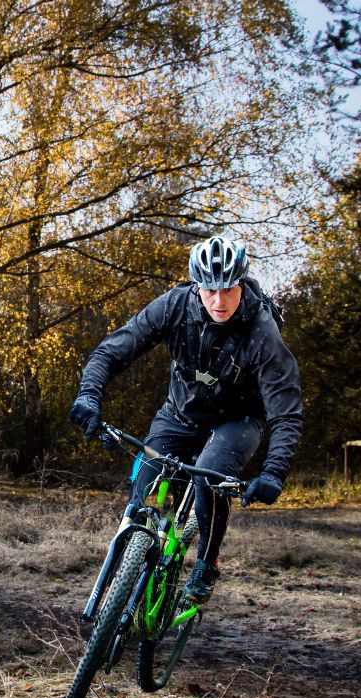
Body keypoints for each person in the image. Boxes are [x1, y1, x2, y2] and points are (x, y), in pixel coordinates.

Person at [68, 236, 302, 603]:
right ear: (197, 285)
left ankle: (207, 562)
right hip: (179, 414)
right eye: (209, 289)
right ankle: (116, 597)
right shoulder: (175, 306)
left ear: (241, 283)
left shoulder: (262, 330)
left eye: (228, 289)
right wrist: (88, 396)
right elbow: (110, 353)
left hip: (239, 422)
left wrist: (273, 472)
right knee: (141, 497)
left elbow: (286, 411)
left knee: (210, 472)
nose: (218, 300)